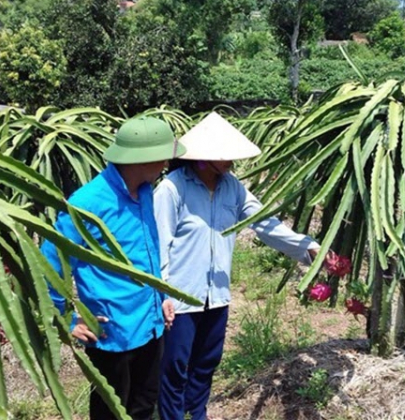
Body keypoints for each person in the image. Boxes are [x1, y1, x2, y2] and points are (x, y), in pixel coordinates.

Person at [154, 112, 328, 420]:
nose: (231, 163)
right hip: (180, 296)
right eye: (224, 157)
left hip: (216, 294)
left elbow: (264, 223)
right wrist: (162, 293)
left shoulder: (232, 187)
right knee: (175, 366)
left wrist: (307, 247)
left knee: (207, 361)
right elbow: (160, 244)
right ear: (202, 157)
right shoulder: (172, 189)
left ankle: (198, 414)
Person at [41, 116, 186, 420]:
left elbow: (146, 252)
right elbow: (50, 262)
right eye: (163, 156)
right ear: (142, 159)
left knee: (145, 404)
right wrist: (67, 319)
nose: (166, 164)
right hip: (112, 333)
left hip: (151, 324)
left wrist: (162, 297)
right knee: (111, 412)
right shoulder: (88, 203)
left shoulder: (146, 192)